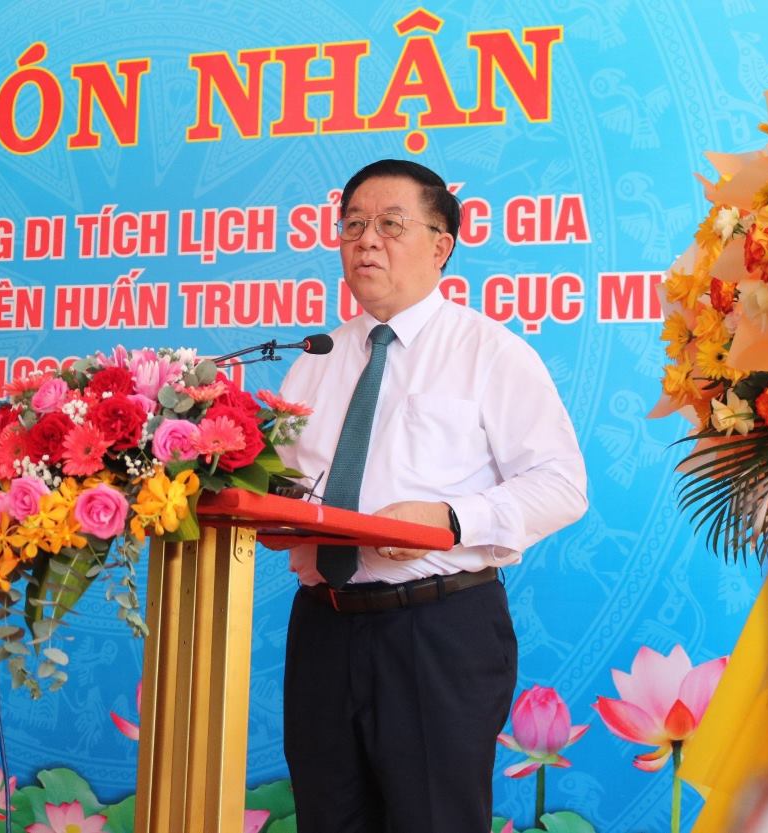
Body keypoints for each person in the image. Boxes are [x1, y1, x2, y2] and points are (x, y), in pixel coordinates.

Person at [277, 159, 588, 833]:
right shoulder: (315, 358)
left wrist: (449, 519)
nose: (366, 241)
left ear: (441, 245)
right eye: (353, 225)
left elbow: (562, 484)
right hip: (323, 627)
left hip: (436, 630)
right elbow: (289, 486)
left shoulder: (489, 352)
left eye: (390, 225)